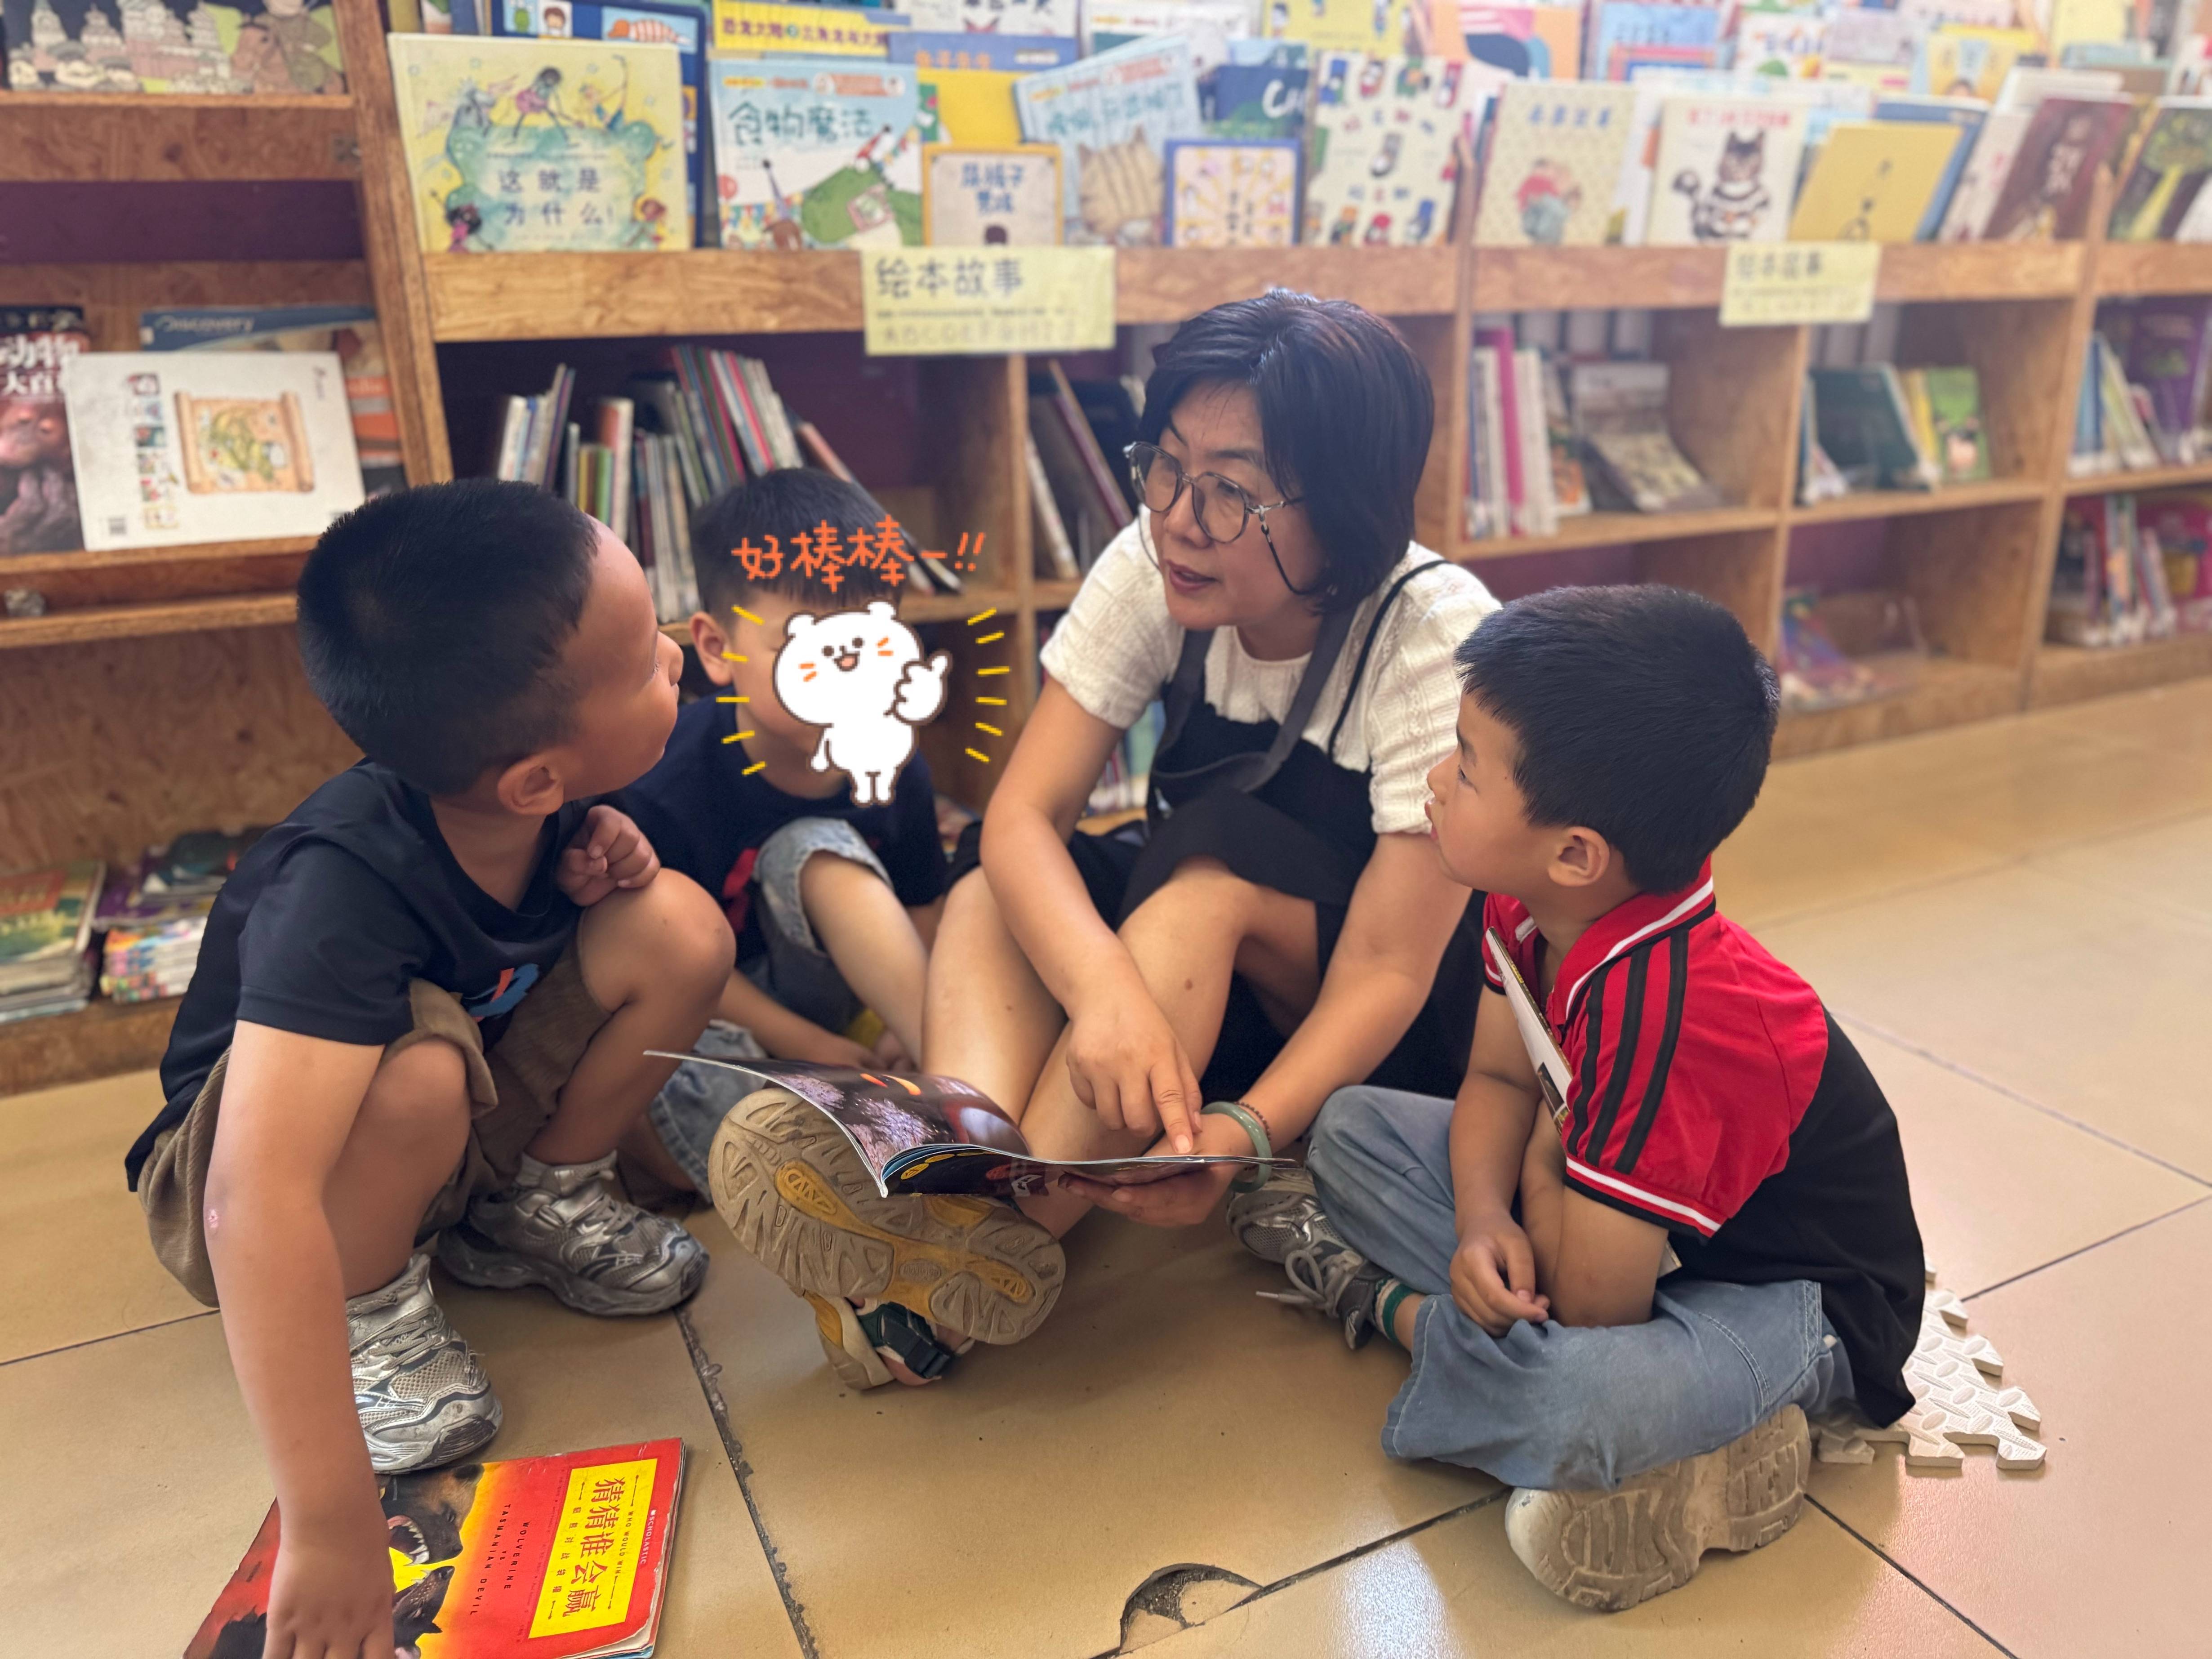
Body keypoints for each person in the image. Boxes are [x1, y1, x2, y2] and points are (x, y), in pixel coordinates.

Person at [705, 290, 1500, 1390]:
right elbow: (1023, 815)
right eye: (1164, 466)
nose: (1179, 517)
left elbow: (1388, 969)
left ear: (1347, 504)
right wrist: (1107, 994)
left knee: (1202, 888)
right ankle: (954, 1180)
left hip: (1359, 1022)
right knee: (997, 884)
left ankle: (1000, 1231)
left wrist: (1243, 1134)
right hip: (1193, 972)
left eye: (1231, 491)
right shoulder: (1157, 560)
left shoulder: (1432, 631)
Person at [123, 481, 733, 1659]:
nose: (673, 653)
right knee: (415, 1067)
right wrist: (329, 1521)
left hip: (447, 1129)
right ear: (533, 778)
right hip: (250, 1181)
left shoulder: (537, 801)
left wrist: (602, 850)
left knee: (678, 927)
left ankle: (531, 1208)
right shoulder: (335, 886)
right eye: (642, 658)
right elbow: (252, 1197)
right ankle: (371, 1318)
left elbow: (555, 943)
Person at [1229, 585, 1926, 1613]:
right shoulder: (1527, 902)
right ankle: (1669, 1441)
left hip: (1792, 1300)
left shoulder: (1668, 1015)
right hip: (1621, 1232)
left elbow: (1598, 1311)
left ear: (1575, 852)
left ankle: (1395, 1314)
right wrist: (1481, 1221)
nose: (1434, 780)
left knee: (1580, 1398)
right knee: (1348, 1130)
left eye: (1465, 767)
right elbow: (1496, 1079)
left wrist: (1543, 1157)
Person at [619, 468, 949, 1198]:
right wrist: (810, 1047)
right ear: (717, 648)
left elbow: (923, 907)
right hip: (713, 1016)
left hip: (849, 1009)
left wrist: (906, 1030)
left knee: (812, 847)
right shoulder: (666, 782)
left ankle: (953, 1086)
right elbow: (668, 963)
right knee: (655, 1089)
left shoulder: (891, 763)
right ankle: (862, 1146)